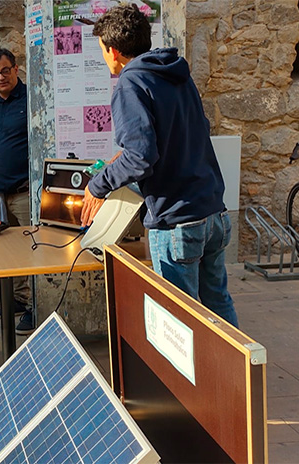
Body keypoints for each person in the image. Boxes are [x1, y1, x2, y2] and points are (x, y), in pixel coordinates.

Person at [80, 4, 239, 327]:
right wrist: (123, 157)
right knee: (217, 306)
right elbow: (191, 132)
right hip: (213, 212)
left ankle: (188, 380)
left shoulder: (130, 83)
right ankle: (235, 378)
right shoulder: (176, 73)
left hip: (176, 222)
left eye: (102, 51)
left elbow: (141, 157)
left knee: (181, 322)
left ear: (113, 50)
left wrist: (97, 186)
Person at [0, 48, 34, 335]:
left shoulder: (30, 99)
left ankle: (34, 309)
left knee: (32, 251)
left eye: (4, 70)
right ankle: (17, 299)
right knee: (10, 251)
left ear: (15, 68)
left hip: (25, 190)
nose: (0, 77)